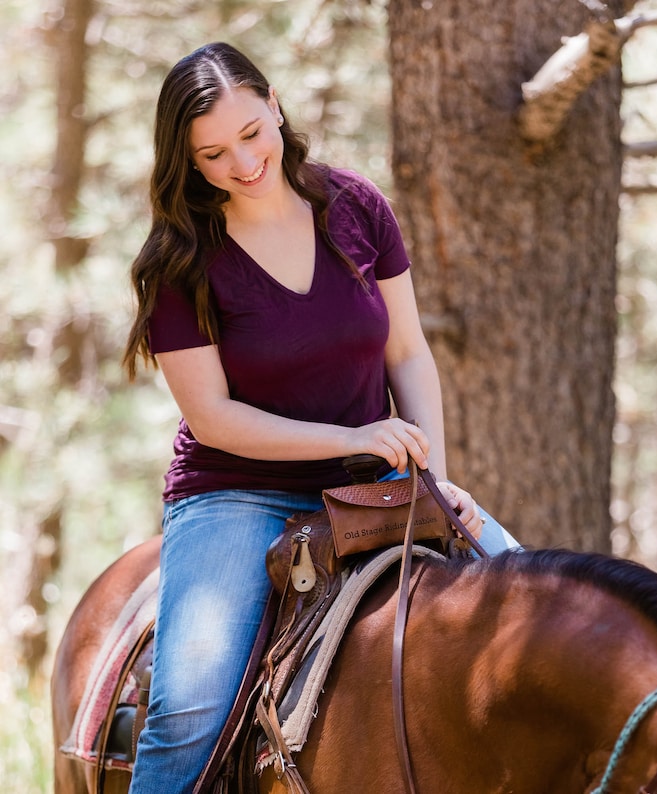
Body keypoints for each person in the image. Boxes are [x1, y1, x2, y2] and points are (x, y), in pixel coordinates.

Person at [121, 42, 517, 794]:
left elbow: (407, 349)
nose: (242, 163)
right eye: (212, 153)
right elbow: (213, 419)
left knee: (537, 612)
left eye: (250, 133)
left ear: (274, 105)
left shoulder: (356, 208)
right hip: (237, 493)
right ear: (188, 162)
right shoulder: (178, 261)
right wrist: (354, 437)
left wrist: (432, 473)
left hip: (373, 488)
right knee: (189, 709)